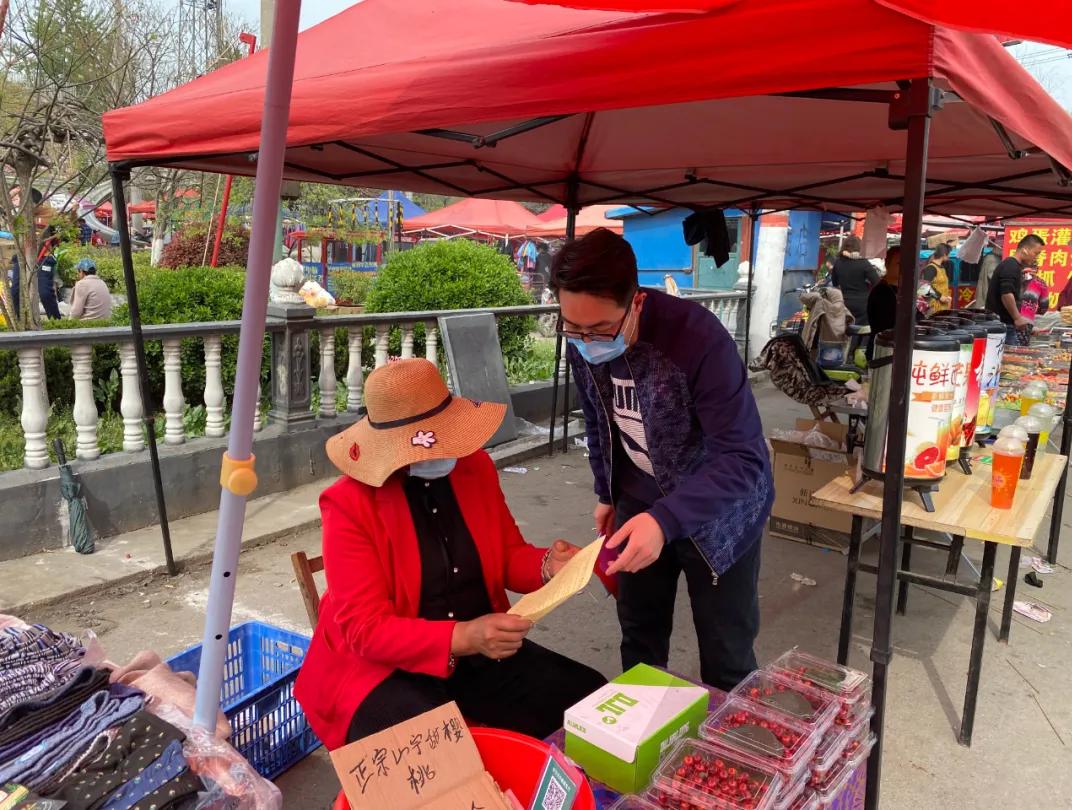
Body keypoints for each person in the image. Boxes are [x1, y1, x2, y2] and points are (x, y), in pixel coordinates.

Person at [294, 359, 606, 750]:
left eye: (446, 439)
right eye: (428, 445)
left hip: (480, 650)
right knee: (441, 761)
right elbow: (365, 630)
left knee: (590, 703)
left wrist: (547, 565)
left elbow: (506, 554)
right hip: (381, 669)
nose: (442, 454)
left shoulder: (473, 468)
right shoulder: (349, 502)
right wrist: (465, 636)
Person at [551, 228, 773, 692]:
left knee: (727, 657)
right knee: (640, 642)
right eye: (574, 329)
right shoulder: (581, 338)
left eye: (599, 330)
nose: (587, 342)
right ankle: (643, 749)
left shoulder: (696, 337)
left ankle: (730, 752)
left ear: (635, 301)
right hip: (639, 502)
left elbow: (743, 458)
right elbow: (598, 418)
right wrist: (606, 491)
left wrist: (666, 519)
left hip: (720, 512)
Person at [987, 233, 1046, 345]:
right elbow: (1006, 294)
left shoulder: (1015, 266)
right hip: (1002, 325)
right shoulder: (1010, 265)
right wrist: (1017, 318)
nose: (1036, 257)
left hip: (1006, 324)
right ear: (1025, 250)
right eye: (1036, 253)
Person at [829, 236, 878, 324]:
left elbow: (834, 283)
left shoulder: (838, 263)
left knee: (846, 332)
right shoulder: (864, 263)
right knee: (862, 332)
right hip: (863, 304)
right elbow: (877, 282)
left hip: (844, 303)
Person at [866, 245, 904, 358]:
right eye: (898, 263)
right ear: (887, 264)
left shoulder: (903, 291)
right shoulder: (881, 292)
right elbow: (887, 324)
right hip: (882, 350)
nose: (903, 267)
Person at [920, 244, 953, 315]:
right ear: (944, 254)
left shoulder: (942, 268)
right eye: (948, 254)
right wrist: (940, 296)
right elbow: (923, 288)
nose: (949, 256)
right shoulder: (931, 268)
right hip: (933, 308)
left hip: (942, 307)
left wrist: (946, 297)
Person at [36, 231, 62, 320]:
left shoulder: (48, 233)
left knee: (46, 294)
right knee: (47, 294)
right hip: (43, 261)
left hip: (44, 261)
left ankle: (55, 319)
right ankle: (55, 318)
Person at [975, 243, 1001, 309]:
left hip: (984, 297)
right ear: (998, 247)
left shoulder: (988, 256)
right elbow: (994, 277)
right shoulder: (993, 259)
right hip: (987, 299)